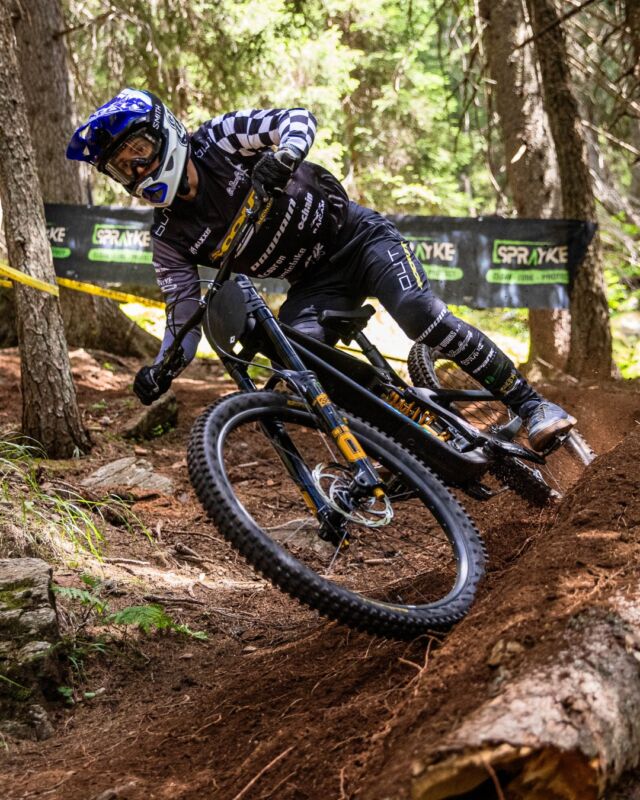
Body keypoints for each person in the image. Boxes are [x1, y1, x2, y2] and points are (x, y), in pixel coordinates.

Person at [67, 88, 576, 451]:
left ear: (166, 133)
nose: (136, 169)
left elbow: (296, 118)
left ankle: (532, 405)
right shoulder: (168, 237)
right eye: (121, 166)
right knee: (299, 366)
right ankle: (412, 440)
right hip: (314, 283)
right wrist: (162, 369)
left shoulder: (219, 140)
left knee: (418, 313)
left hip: (359, 239)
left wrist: (286, 154)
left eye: (139, 151)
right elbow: (182, 315)